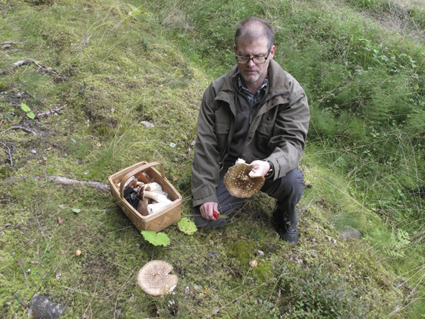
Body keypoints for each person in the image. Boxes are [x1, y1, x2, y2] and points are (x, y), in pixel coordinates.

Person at [191, 17, 310, 244]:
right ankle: (235, 194)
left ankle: (284, 214)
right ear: (235, 50)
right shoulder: (216, 92)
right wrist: (206, 194)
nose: (251, 63)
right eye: (244, 56)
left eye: (258, 56)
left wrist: (270, 165)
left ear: (271, 52)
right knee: (203, 220)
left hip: (268, 168)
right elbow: (206, 146)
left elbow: (293, 144)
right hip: (230, 168)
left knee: (293, 181)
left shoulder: (292, 94)